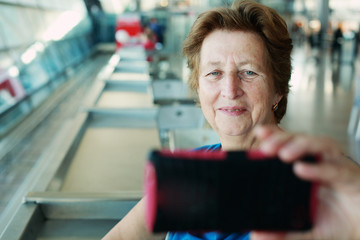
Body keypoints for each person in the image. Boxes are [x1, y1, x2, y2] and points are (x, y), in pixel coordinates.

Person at [102, 1, 360, 239]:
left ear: (278, 89)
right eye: (214, 73)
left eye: (248, 72)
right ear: (198, 87)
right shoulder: (190, 171)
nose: (229, 89)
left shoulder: (318, 183)